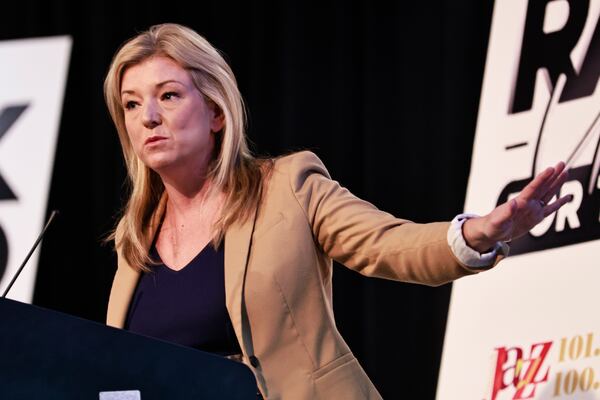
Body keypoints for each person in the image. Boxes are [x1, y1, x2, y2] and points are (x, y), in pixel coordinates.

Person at [104, 23, 571, 399]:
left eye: (168, 95)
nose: (147, 117)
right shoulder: (136, 241)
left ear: (216, 112)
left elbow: (388, 245)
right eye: (131, 103)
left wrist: (479, 233)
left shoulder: (286, 186)